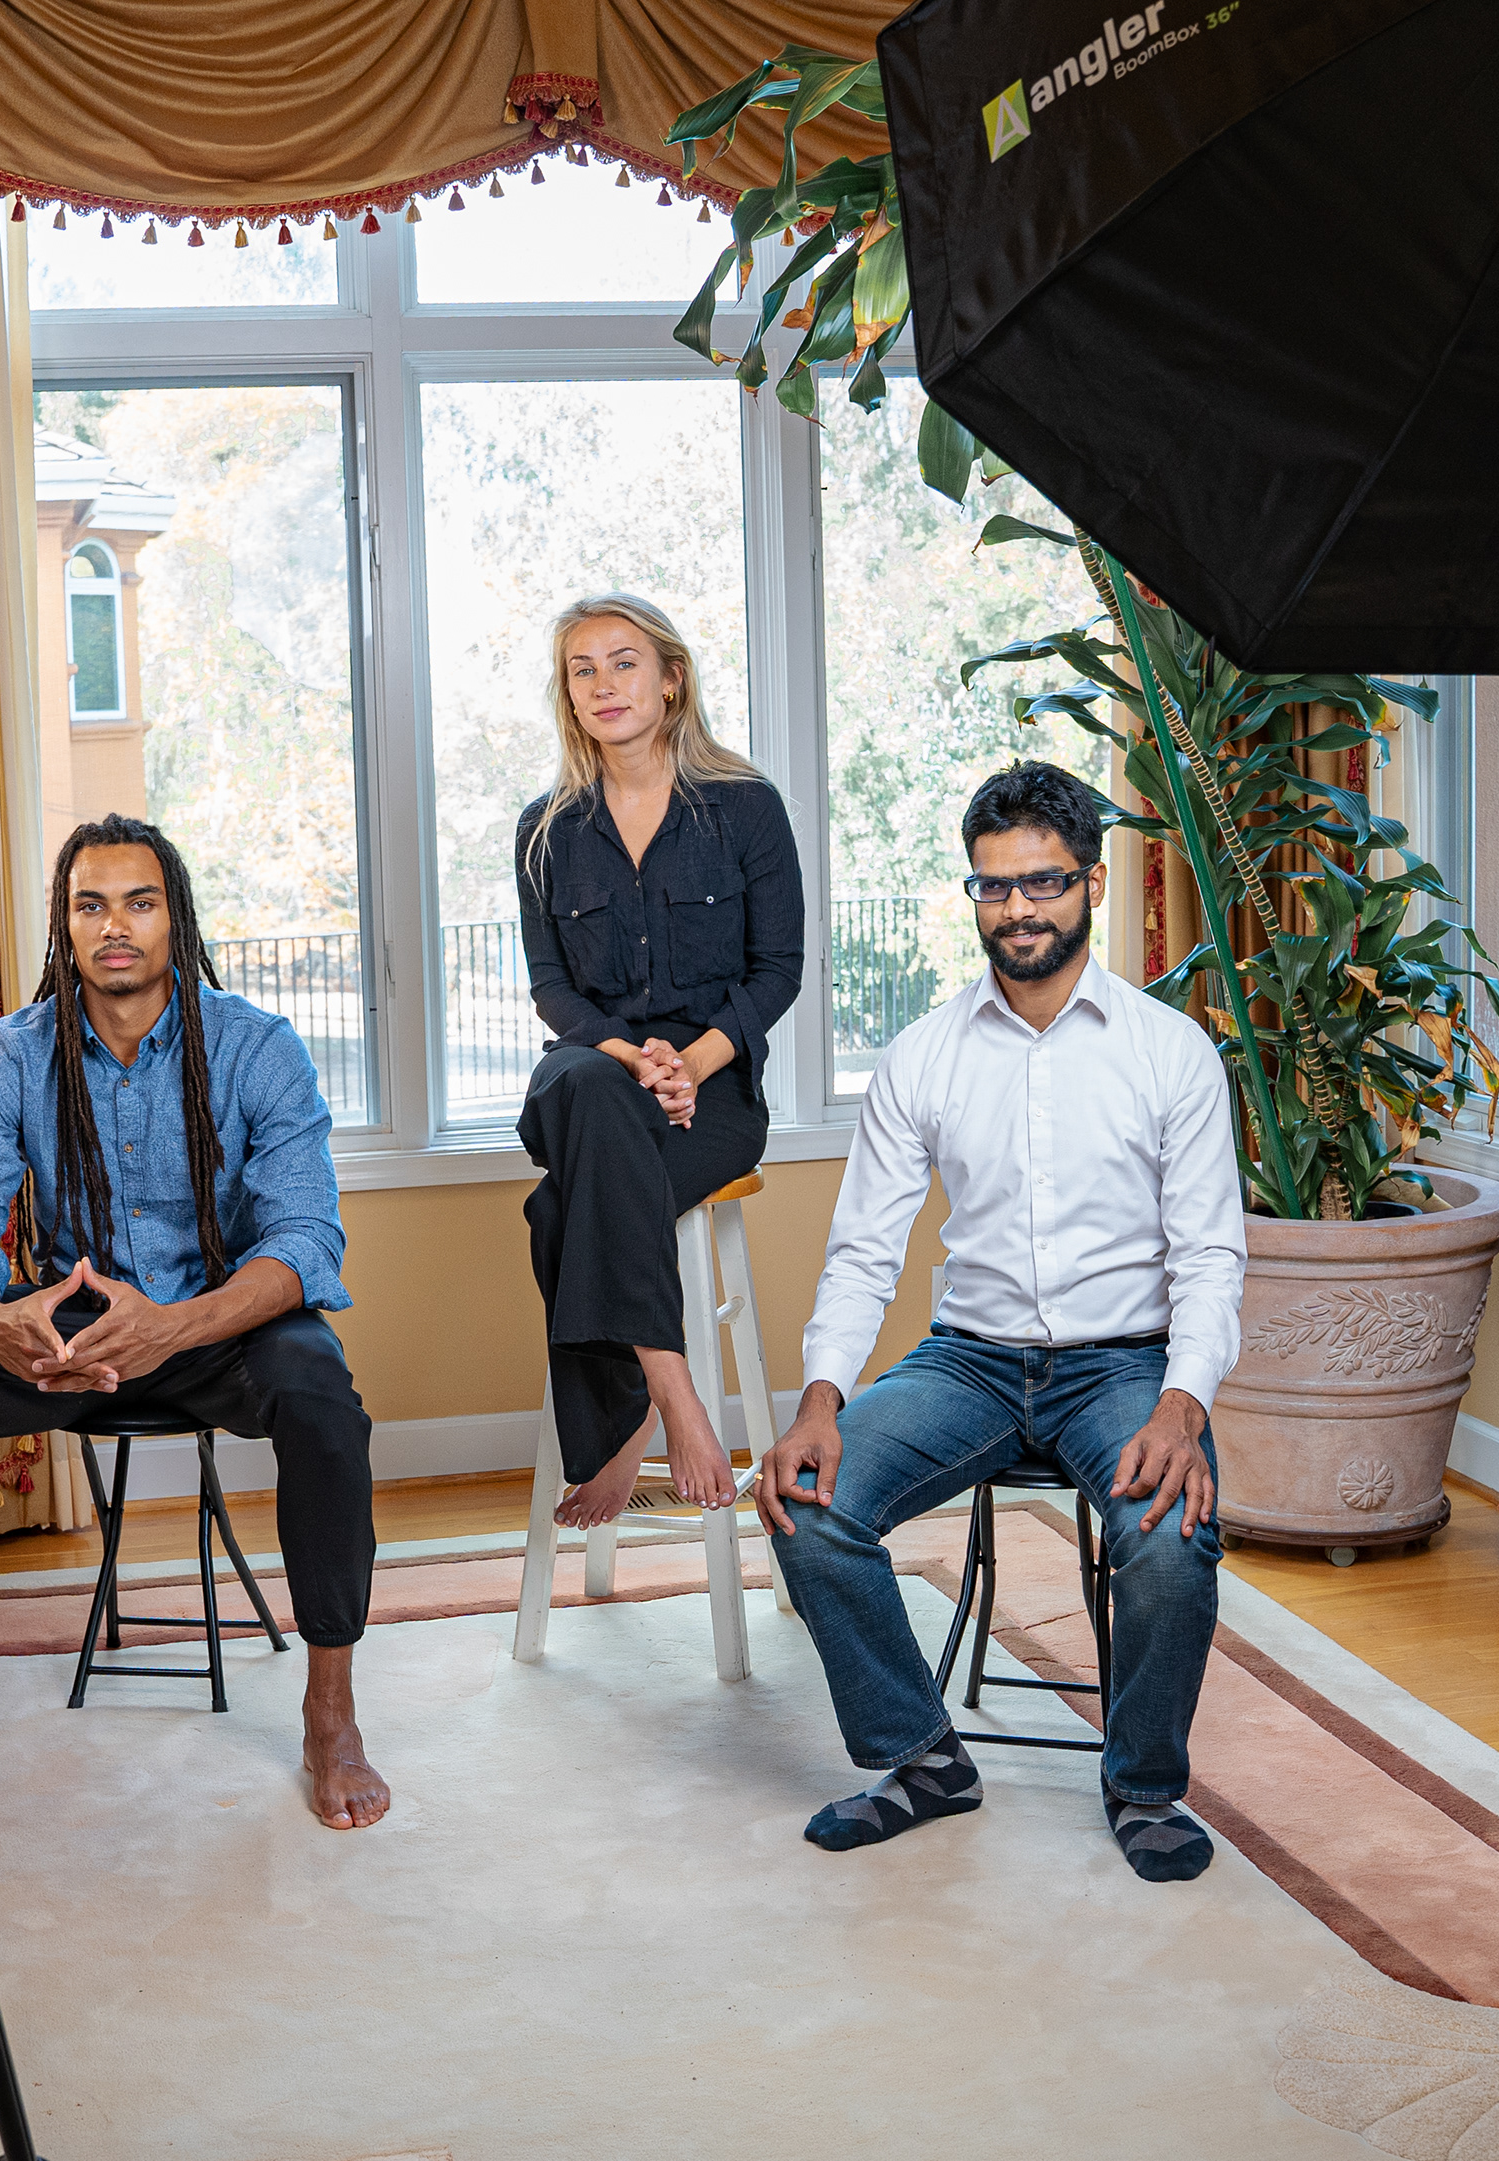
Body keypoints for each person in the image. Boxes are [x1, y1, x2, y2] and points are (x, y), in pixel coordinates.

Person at [0, 815, 391, 1830]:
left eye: (139, 902)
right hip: (65, 1331)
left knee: (322, 1394)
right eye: (90, 904)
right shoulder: (14, 1051)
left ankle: (331, 1714)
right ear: (64, 924)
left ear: (174, 916)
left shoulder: (257, 1047)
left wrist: (174, 1327)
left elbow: (305, 1239)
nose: (115, 926)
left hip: (214, 1324)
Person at [758, 761, 1245, 1878]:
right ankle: (922, 1757)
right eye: (994, 885)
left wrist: (1182, 1405)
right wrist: (821, 1400)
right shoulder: (923, 1055)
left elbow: (1210, 1255)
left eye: (1044, 882)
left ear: (1093, 885)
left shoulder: (1168, 1051)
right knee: (804, 1502)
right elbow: (864, 1250)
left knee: (1169, 1543)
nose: (1018, 907)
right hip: (968, 1364)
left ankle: (1144, 1786)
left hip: (1126, 1366)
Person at [512, 593, 803, 1528]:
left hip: (711, 1096)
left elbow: (778, 969)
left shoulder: (746, 809)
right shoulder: (545, 828)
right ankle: (675, 1396)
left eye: (624, 661)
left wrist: (693, 1064)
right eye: (583, 669)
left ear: (671, 678)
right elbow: (551, 988)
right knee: (591, 1086)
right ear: (567, 694)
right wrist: (633, 1059)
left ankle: (621, 1420)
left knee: (562, 1207)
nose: (604, 683)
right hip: (592, 1075)